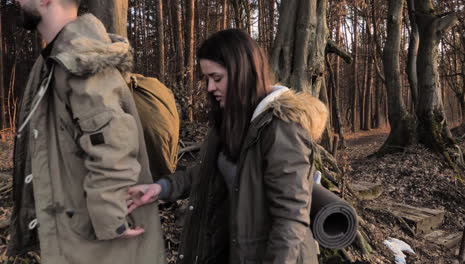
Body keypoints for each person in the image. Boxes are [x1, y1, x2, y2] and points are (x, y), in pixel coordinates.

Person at [128, 29, 329, 264]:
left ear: (242, 73)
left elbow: (291, 219)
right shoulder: (232, 121)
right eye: (207, 79)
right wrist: (161, 188)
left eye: (217, 78)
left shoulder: (282, 129)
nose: (210, 87)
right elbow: (206, 174)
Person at [9, 0, 166, 263]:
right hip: (79, 235)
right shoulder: (57, 59)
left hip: (101, 246)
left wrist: (111, 215)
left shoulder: (82, 56)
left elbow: (113, 141)